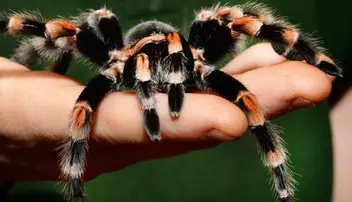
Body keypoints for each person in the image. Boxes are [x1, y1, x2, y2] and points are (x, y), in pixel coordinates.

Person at [0, 43, 334, 184]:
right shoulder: (116, 52)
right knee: (67, 34)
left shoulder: (195, 51)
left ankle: (280, 179)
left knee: (246, 96)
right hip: (125, 55)